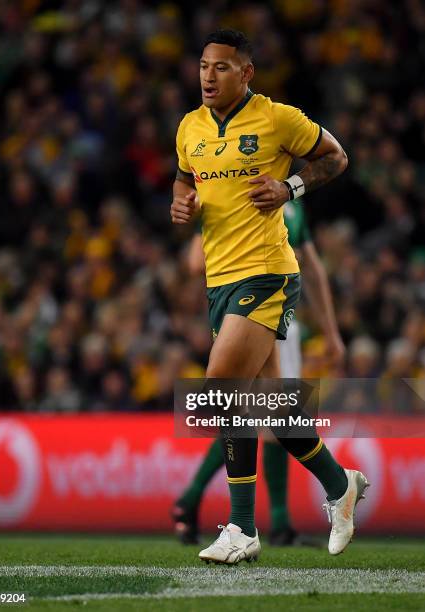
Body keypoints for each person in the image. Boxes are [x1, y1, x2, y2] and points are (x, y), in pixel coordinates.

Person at [171, 29, 369, 564]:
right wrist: (182, 205)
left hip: (267, 273)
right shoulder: (190, 127)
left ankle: (241, 526)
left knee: (220, 388)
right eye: (204, 66)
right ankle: (339, 484)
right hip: (220, 280)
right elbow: (184, 180)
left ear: (247, 73)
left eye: (223, 68)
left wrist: (290, 188)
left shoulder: (279, 118)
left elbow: (337, 158)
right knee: (267, 406)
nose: (209, 76)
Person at [172, 198, 346, 546]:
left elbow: (195, 261)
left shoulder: (225, 192)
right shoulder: (290, 205)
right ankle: (325, 493)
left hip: (245, 305)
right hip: (270, 307)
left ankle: (235, 519)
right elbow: (310, 267)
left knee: (243, 403)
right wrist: (330, 331)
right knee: (259, 405)